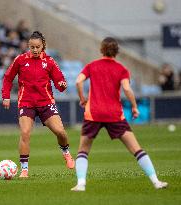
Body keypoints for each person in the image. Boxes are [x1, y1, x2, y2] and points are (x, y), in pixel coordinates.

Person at [71, 37, 168, 191]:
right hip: (114, 114)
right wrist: (135, 107)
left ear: (101, 49)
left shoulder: (92, 66)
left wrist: (82, 98)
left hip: (93, 113)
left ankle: (81, 183)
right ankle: (156, 181)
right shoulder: (121, 69)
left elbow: (78, 81)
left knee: (83, 150)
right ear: (117, 51)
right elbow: (127, 89)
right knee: (136, 149)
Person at [1, 31, 75, 178]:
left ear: (43, 46)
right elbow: (8, 78)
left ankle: (66, 153)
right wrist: (6, 96)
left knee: (61, 132)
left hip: (46, 103)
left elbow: (60, 83)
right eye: (32, 47)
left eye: (37, 47)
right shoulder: (20, 60)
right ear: (28, 46)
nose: (34, 50)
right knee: (25, 133)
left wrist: (62, 85)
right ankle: (24, 170)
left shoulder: (50, 62)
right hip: (26, 103)